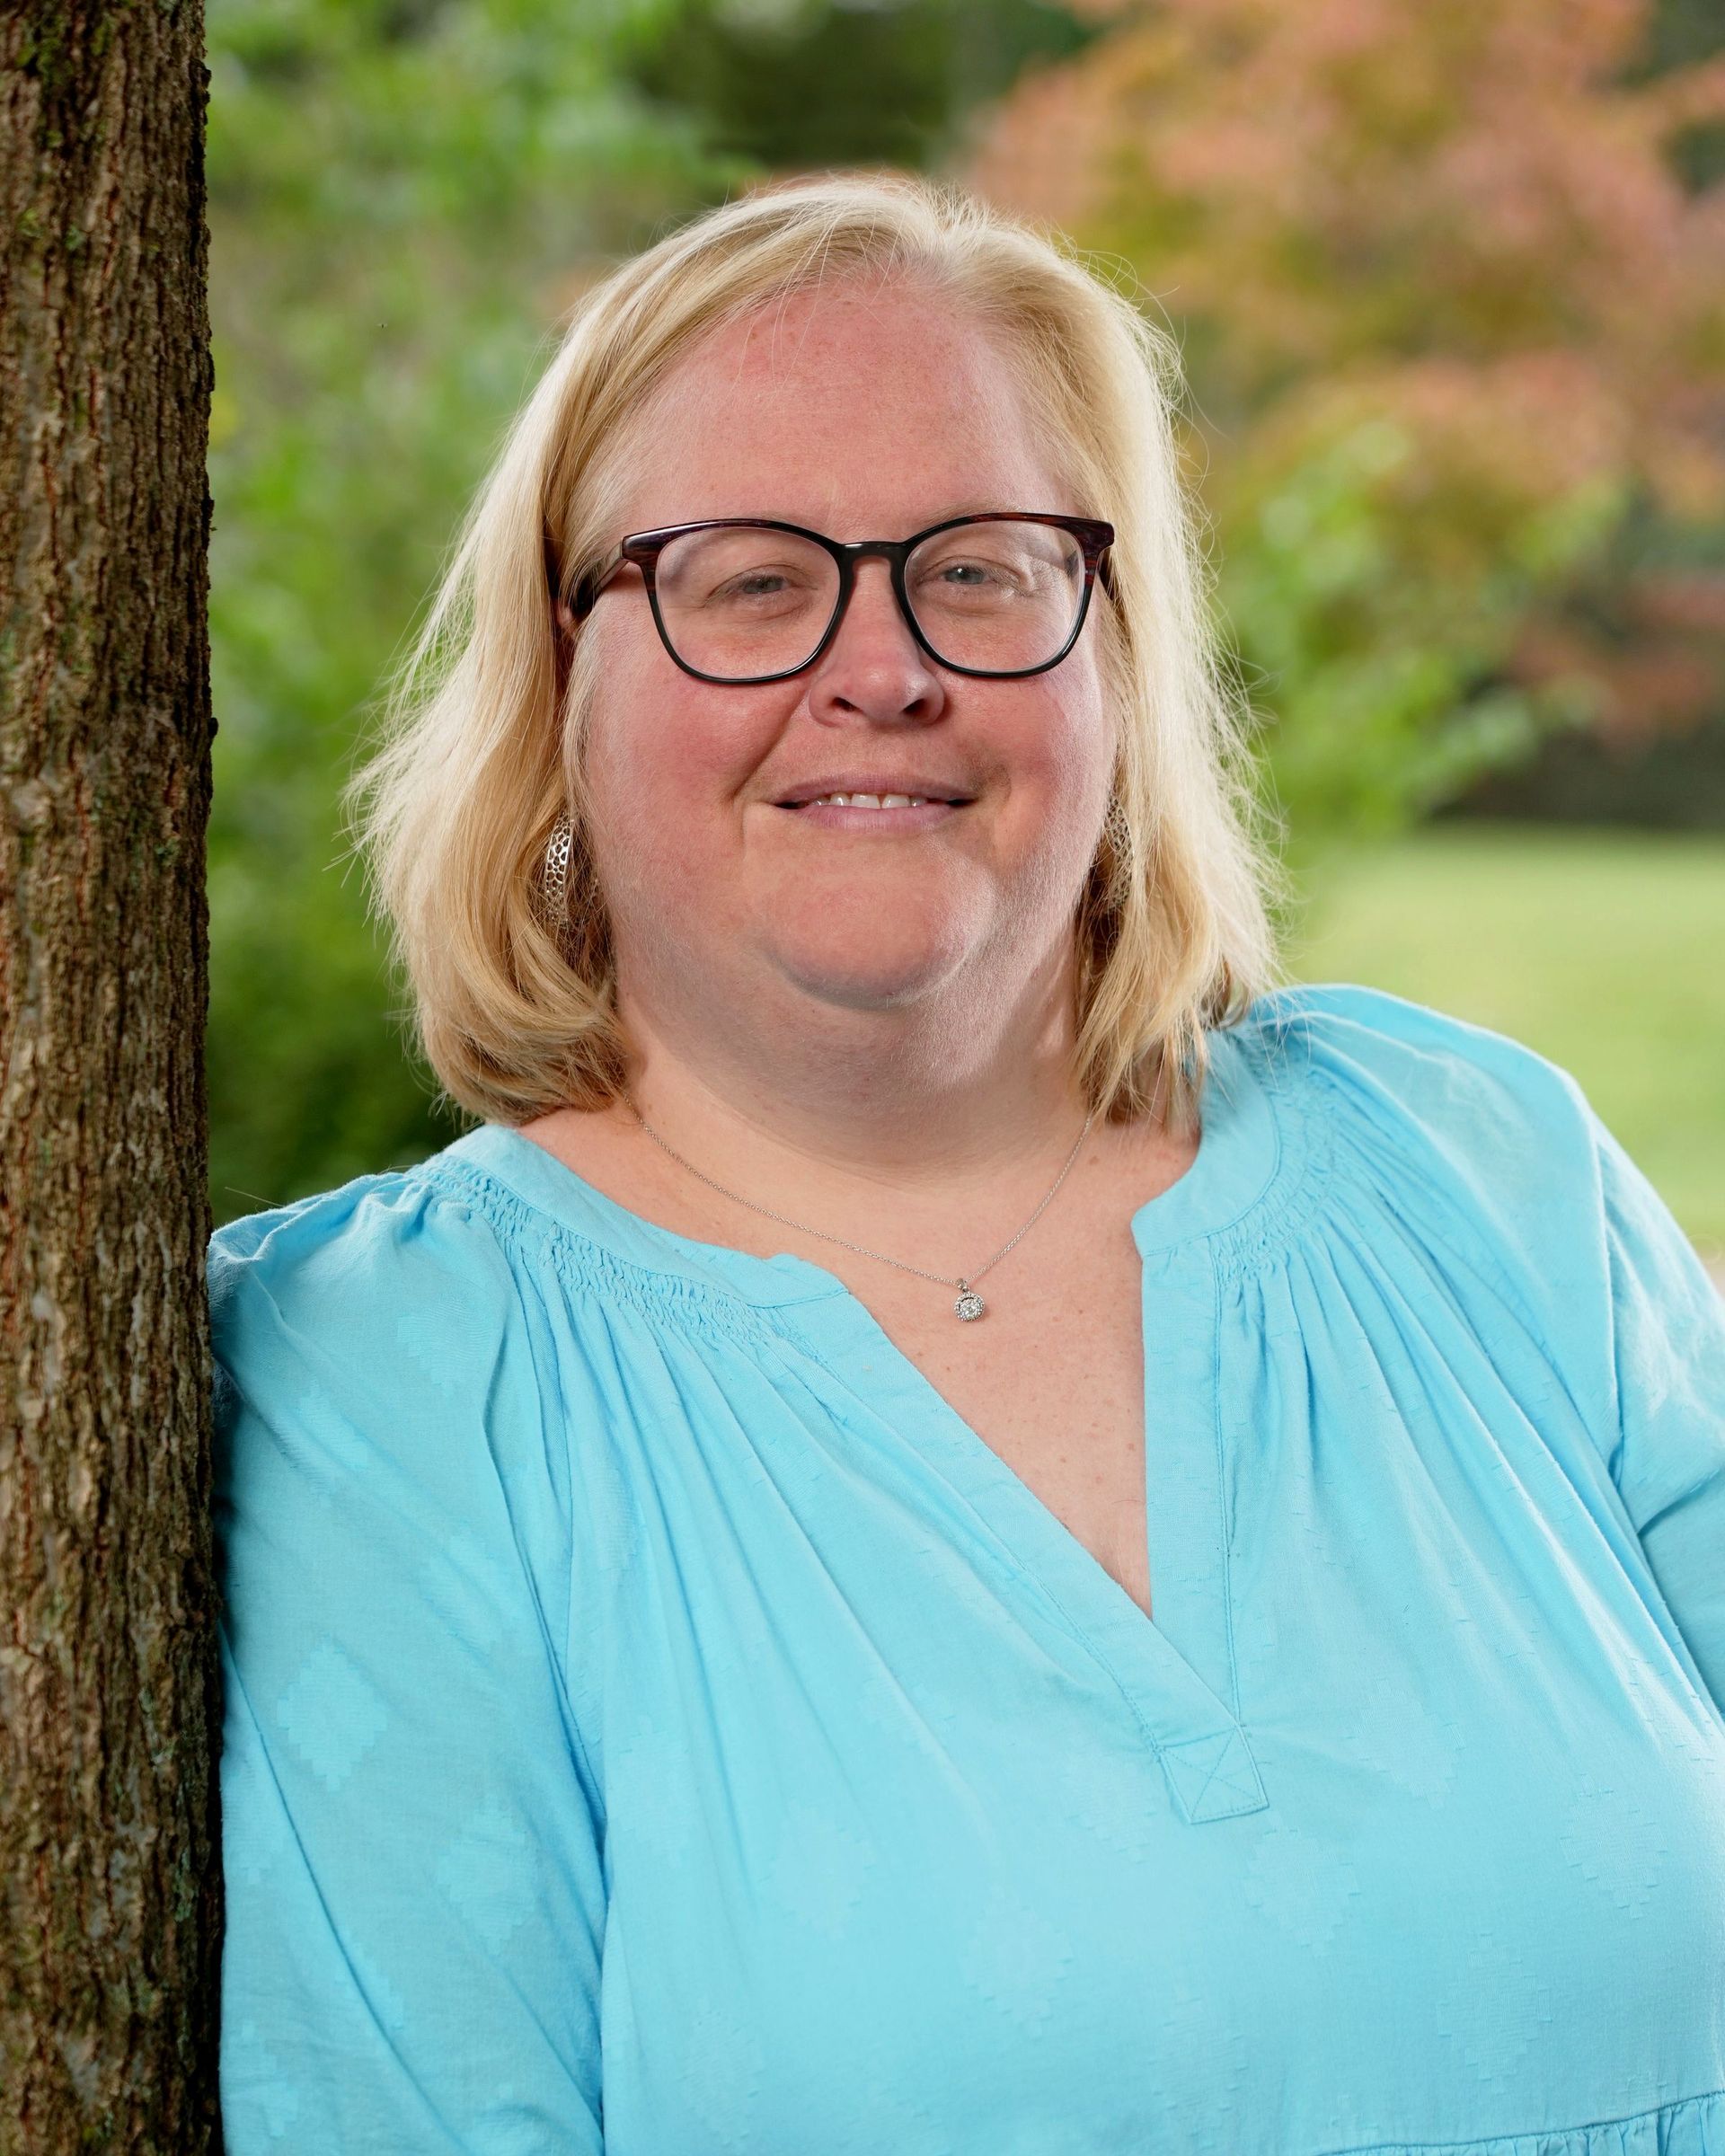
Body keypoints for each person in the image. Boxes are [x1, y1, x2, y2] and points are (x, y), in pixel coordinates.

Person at [208, 170, 1725, 2153]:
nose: (883, 666)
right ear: (558, 681)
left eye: (985, 566)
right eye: (749, 578)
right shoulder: (388, 1381)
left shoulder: (1476, 1168)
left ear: (1114, 660)